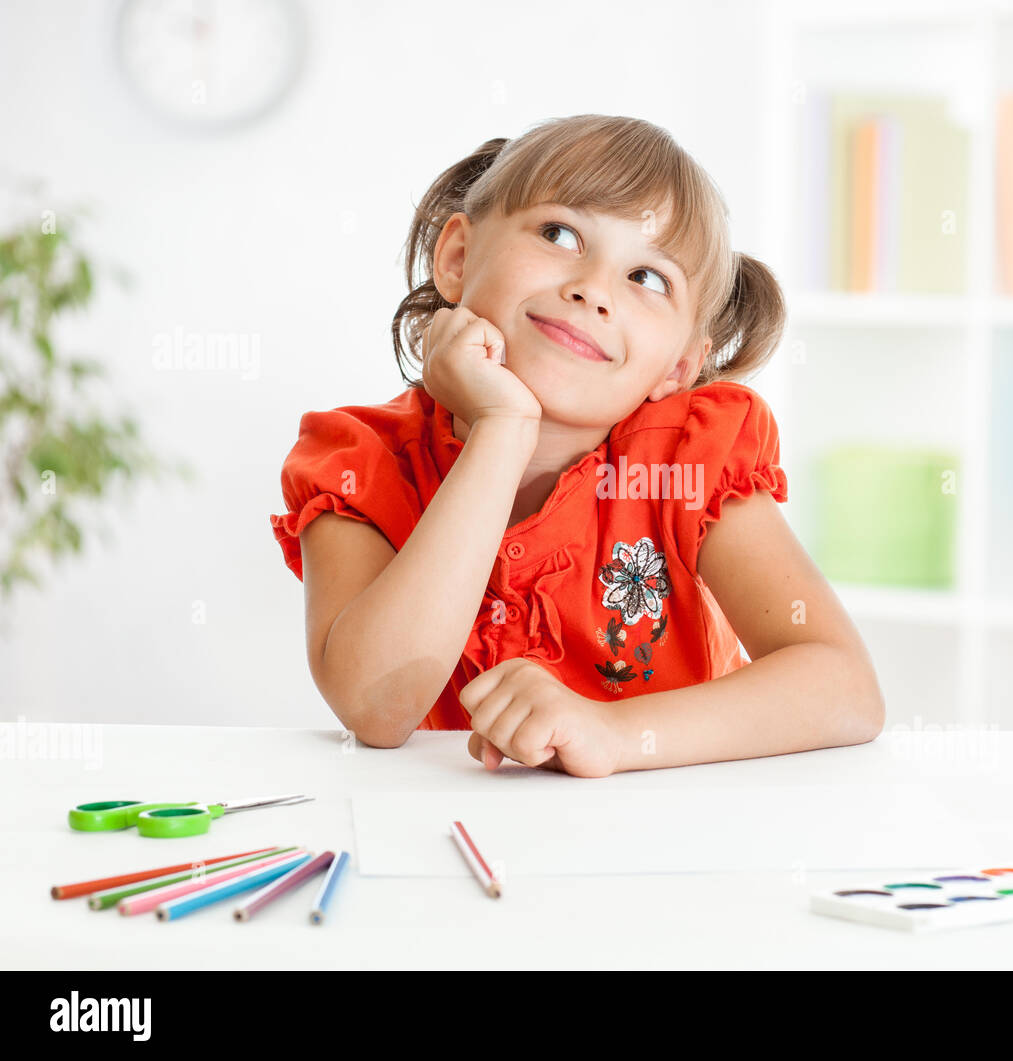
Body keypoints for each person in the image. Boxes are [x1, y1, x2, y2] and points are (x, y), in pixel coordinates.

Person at [270, 114, 884, 777]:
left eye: (648, 277)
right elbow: (377, 707)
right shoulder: (357, 460)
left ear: (679, 365)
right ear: (457, 257)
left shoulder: (687, 460)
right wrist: (504, 427)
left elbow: (844, 688)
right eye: (559, 234)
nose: (593, 288)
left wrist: (614, 732)